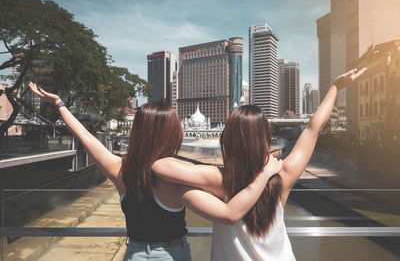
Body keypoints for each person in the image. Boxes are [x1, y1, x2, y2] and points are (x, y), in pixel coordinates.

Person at [29, 82, 282, 261]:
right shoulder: (175, 182)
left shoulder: (121, 170)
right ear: (172, 133)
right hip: (170, 254)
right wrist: (265, 173)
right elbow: (229, 214)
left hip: (135, 254)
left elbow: (86, 137)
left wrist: (60, 105)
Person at [150, 68, 367, 260]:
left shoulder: (220, 179)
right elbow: (313, 128)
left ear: (228, 140)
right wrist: (336, 88)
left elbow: (159, 167)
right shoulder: (282, 174)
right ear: (265, 138)